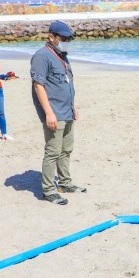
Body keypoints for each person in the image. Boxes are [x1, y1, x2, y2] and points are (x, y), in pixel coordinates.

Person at [31, 20, 85, 205]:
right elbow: (39, 86)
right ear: (51, 37)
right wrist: (48, 113)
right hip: (54, 111)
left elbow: (67, 81)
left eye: (68, 38)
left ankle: (65, 183)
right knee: (53, 151)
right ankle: (48, 190)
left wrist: (74, 105)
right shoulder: (42, 56)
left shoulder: (62, 54)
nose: (66, 40)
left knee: (66, 149)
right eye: (63, 37)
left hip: (67, 110)